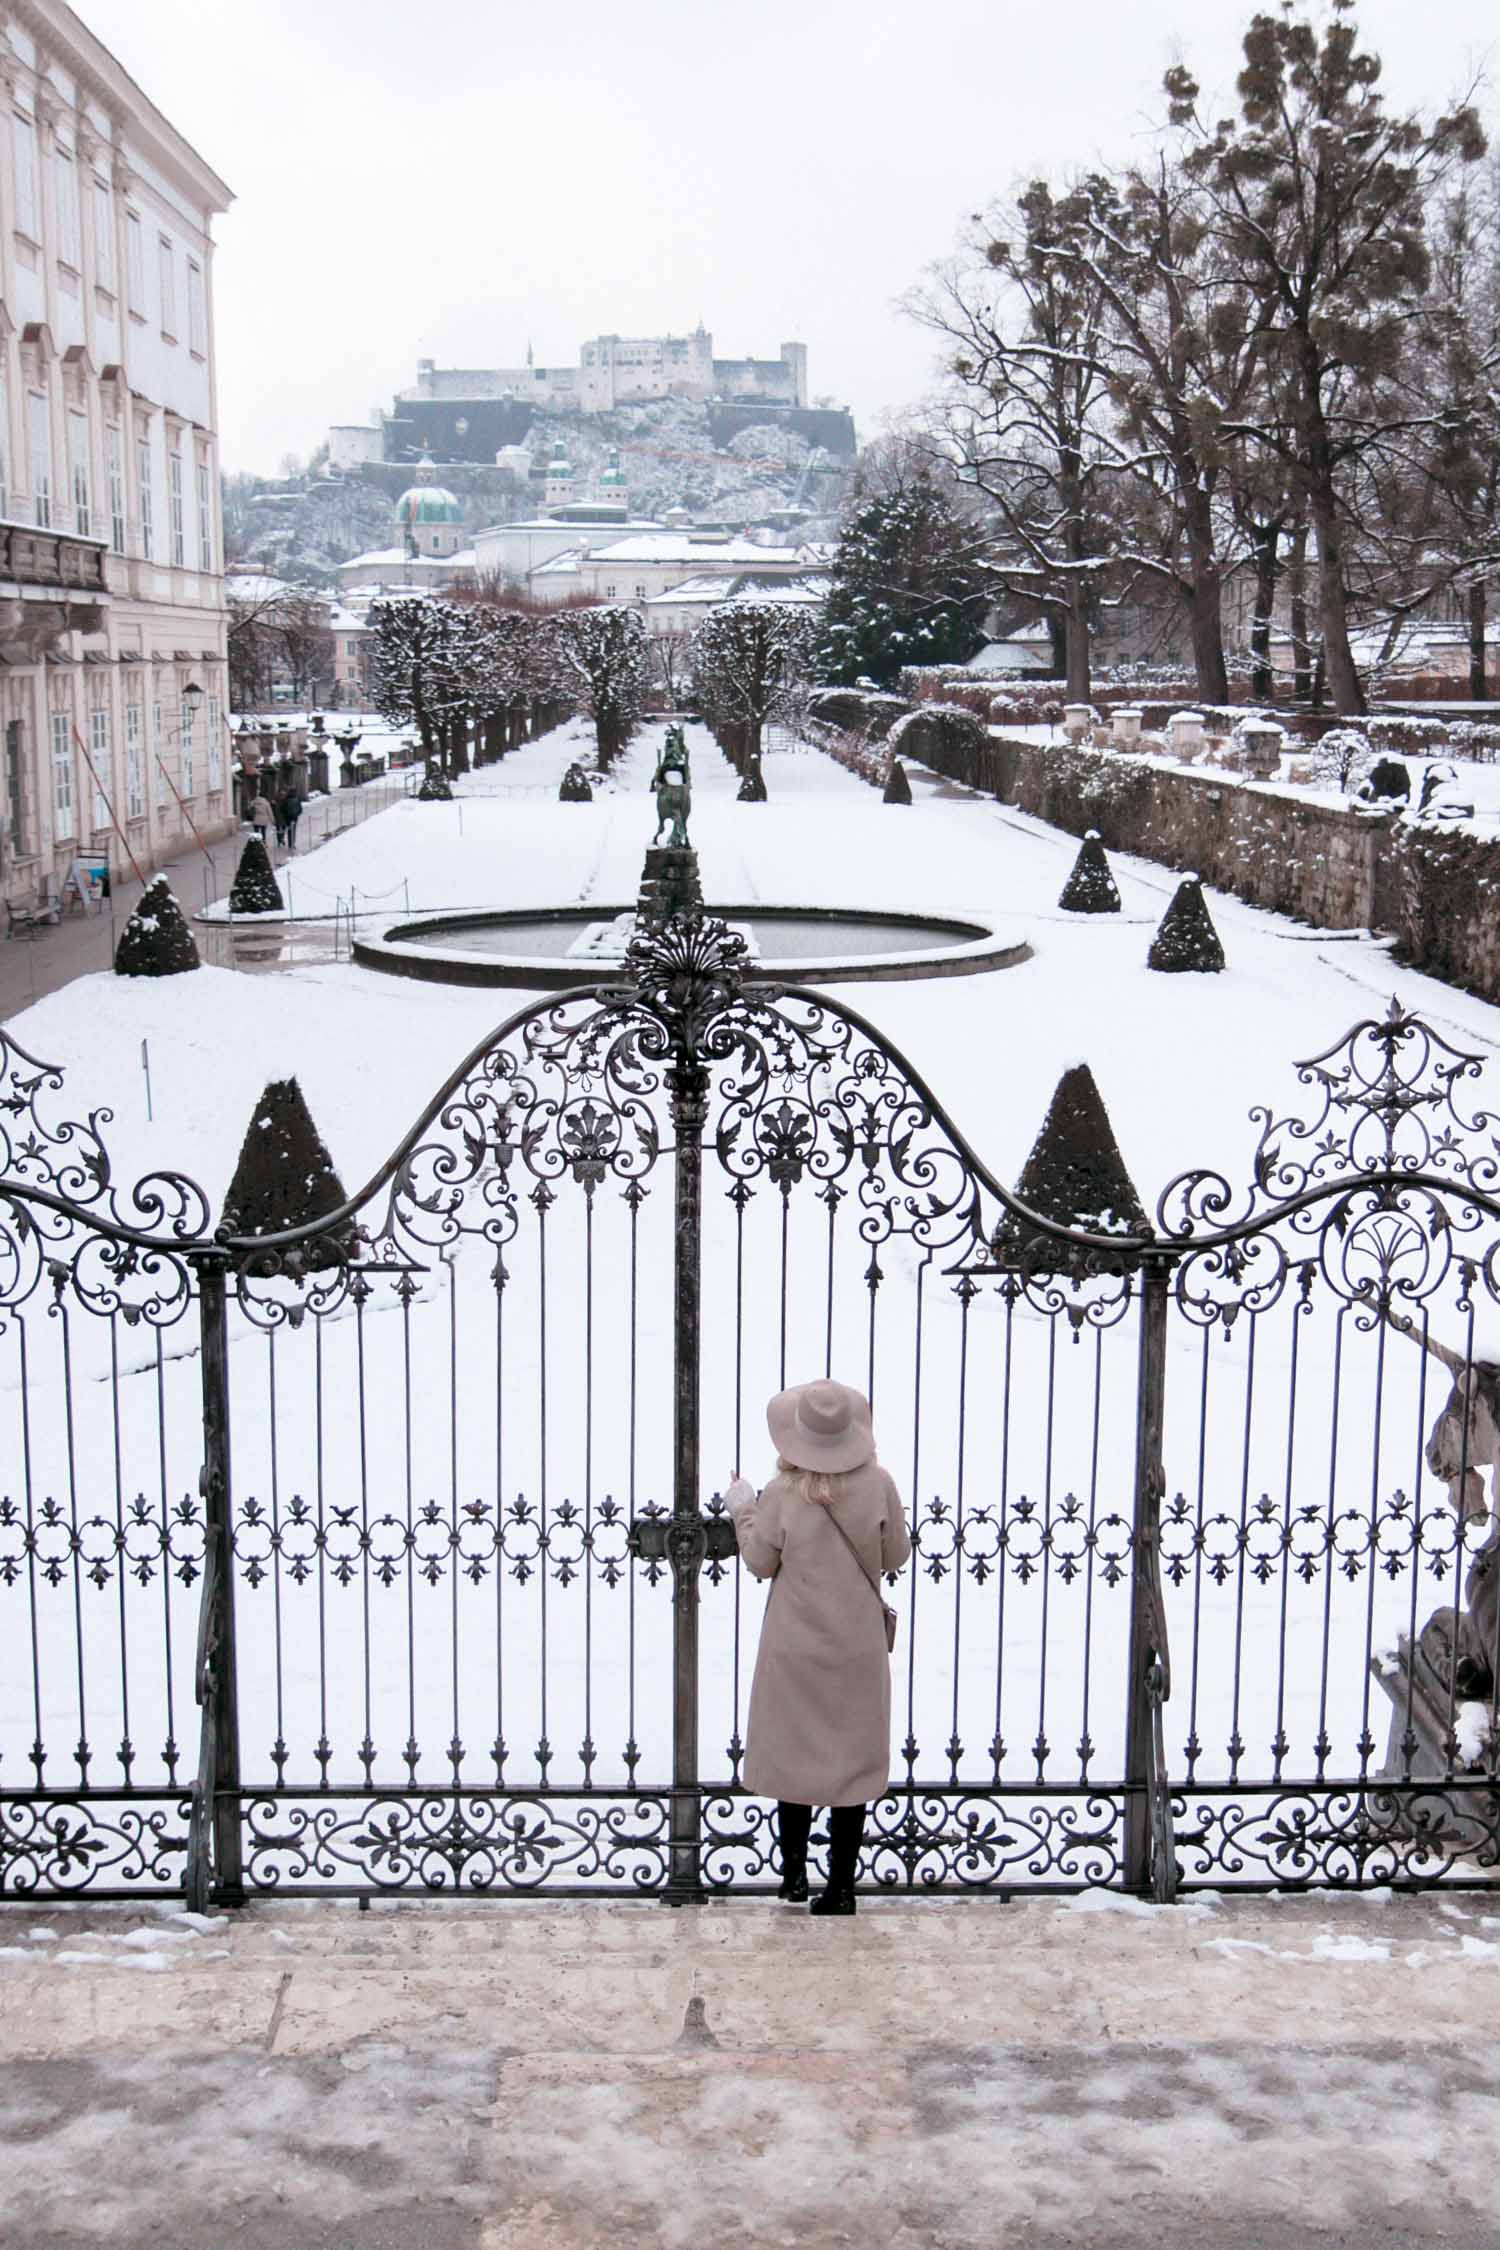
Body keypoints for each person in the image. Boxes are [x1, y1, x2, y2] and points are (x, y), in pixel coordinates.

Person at [726, 1379, 911, 1915]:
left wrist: (744, 1508)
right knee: (849, 1764)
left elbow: (762, 1562)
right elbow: (895, 1555)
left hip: (795, 1644)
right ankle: (842, 1887)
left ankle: (793, 1877)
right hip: (856, 1645)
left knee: (796, 1756)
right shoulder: (880, 1485)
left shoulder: (781, 1493)